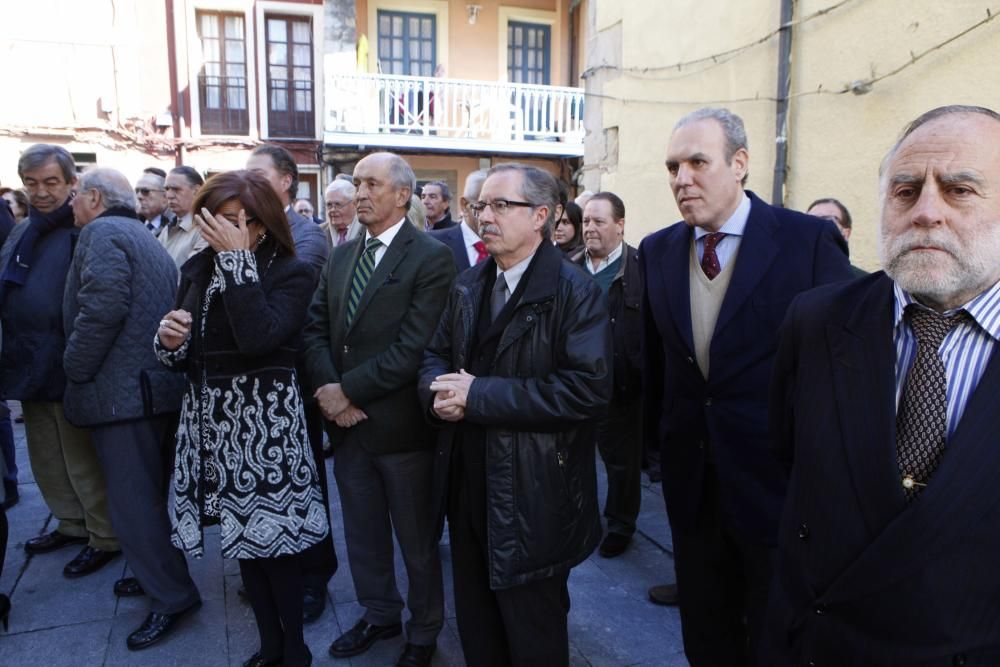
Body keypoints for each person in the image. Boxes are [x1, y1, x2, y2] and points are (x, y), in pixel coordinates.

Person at [766, 105, 1000, 665]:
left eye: (959, 190)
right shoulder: (817, 320)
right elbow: (791, 464)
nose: (925, 213)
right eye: (904, 190)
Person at [639, 108, 853, 665]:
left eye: (696, 163)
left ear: (739, 164)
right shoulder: (658, 250)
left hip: (778, 489)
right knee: (706, 637)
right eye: (672, 167)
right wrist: (658, 450)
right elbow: (659, 364)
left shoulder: (807, 242)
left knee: (775, 636)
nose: (681, 179)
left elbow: (841, 362)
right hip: (692, 487)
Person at [419, 163, 611, 666]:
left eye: (502, 205)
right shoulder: (468, 284)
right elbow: (434, 355)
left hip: (534, 495)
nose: (486, 215)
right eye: (482, 205)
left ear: (541, 216)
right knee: (478, 626)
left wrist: (478, 396)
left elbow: (586, 391)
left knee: (532, 633)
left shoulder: (575, 292)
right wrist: (437, 392)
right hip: (466, 483)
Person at [155, 170, 328, 667]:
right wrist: (169, 342)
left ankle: (294, 650)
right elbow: (184, 355)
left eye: (249, 221)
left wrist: (237, 263)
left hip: (265, 430)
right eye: (227, 220)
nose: (239, 231)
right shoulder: (197, 267)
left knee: (277, 547)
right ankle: (270, 646)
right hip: (212, 427)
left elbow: (259, 337)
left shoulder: (290, 269)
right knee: (244, 543)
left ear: (267, 223)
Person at [303, 152, 453, 667]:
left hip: (401, 430)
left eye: (371, 184)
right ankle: (379, 613)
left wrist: (347, 392)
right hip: (347, 429)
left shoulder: (430, 256)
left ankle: (424, 629)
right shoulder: (342, 254)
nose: (359, 192)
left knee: (415, 541)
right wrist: (328, 389)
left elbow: (414, 348)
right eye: (357, 183)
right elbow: (316, 328)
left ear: (402, 195)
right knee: (363, 534)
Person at [63, 168, 201, 651]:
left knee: (134, 506)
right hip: (149, 390)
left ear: (95, 197)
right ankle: (159, 577)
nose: (71, 203)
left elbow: (102, 308)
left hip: (124, 397)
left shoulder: (102, 232)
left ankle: (171, 596)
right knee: (147, 499)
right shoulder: (139, 235)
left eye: (76, 194)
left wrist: (74, 366)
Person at [0, 145, 120, 578]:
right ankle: (70, 523)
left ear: (73, 184)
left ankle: (104, 534)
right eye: (32, 183)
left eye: (52, 182)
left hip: (68, 359)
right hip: (28, 358)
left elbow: (98, 299)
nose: (42, 192)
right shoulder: (21, 230)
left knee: (80, 456)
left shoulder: (82, 228)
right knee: (45, 455)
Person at [246, 143, 336, 624]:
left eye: (258, 174)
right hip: (252, 383)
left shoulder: (304, 235)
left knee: (306, 481)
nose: (249, 183)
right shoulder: (245, 228)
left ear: (286, 180)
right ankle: (278, 573)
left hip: (294, 379)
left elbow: (280, 309)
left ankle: (313, 577)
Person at [572, 192, 642, 558]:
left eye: (599, 221)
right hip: (573, 382)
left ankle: (620, 524)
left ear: (620, 224)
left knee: (621, 462)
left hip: (620, 385)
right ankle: (579, 518)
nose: (590, 229)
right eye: (586, 221)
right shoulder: (567, 267)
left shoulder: (639, 269)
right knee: (573, 454)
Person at [429, 169, 489, 273]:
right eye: (483, 205)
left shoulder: (513, 247)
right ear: (465, 205)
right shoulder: (431, 243)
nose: (491, 215)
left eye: (501, 205)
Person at [160, 166, 208, 268]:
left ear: (196, 191)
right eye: (167, 189)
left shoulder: (206, 230)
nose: (169, 195)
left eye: (176, 189)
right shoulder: (168, 228)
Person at [806, 197, 868, 277]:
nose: (816, 226)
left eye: (827, 221)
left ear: (846, 233)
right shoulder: (790, 278)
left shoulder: (863, 283)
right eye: (810, 221)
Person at [321, 179, 362, 247]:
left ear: (354, 204)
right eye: (329, 205)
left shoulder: (367, 230)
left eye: (338, 204)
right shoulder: (319, 232)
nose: (332, 210)